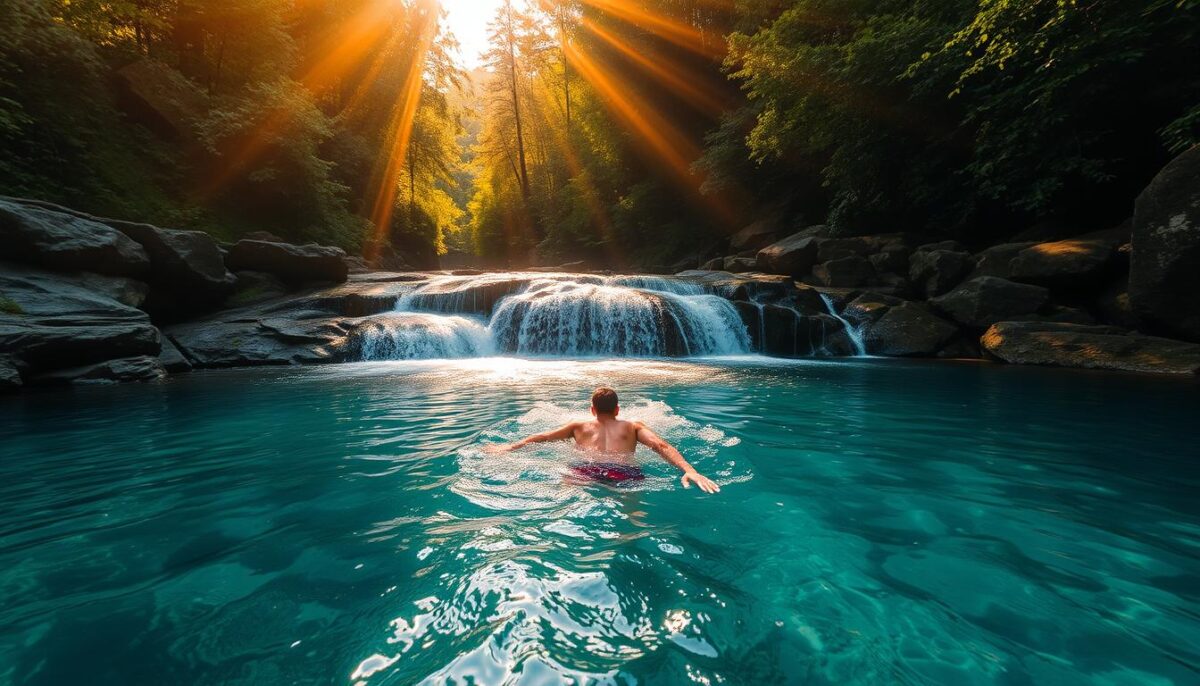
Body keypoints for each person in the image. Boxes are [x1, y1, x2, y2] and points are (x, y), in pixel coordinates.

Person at [491, 387, 721, 494]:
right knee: (633, 520)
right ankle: (629, 539)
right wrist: (690, 470)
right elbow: (661, 446)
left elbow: (542, 438)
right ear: (617, 409)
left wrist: (510, 446)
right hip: (624, 472)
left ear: (592, 410)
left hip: (585, 470)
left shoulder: (577, 426)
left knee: (564, 500)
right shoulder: (633, 426)